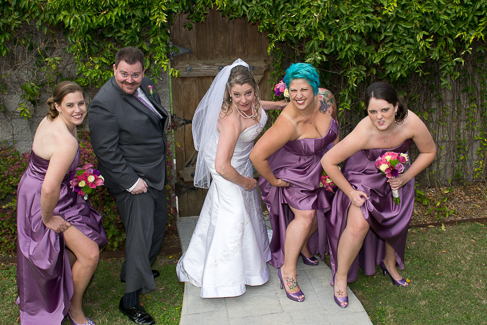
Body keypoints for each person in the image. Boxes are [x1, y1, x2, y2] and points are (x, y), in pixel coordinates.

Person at [176, 59, 286, 298]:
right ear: (228, 92)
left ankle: (249, 265)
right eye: (237, 95)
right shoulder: (230, 120)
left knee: (246, 211)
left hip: (241, 163)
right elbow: (222, 166)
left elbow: (258, 105)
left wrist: (278, 104)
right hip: (226, 168)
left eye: (248, 92)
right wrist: (246, 182)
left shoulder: (253, 101)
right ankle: (222, 280)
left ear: (255, 89)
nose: (244, 100)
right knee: (235, 213)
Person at [322, 81, 436, 308]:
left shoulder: (411, 122)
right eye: (372, 111)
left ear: (396, 106)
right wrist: (351, 193)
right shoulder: (364, 132)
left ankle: (389, 262)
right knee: (358, 226)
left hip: (395, 176)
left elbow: (429, 151)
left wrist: (405, 177)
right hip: (362, 177)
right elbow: (329, 161)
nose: (379, 117)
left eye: (384, 110)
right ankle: (341, 277)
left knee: (397, 214)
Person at [16, 81, 107, 325]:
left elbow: (48, 167)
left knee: (73, 247)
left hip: (37, 188)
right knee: (89, 254)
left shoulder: (53, 121)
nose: (78, 110)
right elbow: (48, 187)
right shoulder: (67, 142)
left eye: (81, 103)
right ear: (57, 106)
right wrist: (47, 219)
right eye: (70, 105)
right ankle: (74, 311)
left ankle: (56, 290)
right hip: (43, 199)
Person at [89, 47, 169, 324]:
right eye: (123, 73)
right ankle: (130, 299)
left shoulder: (147, 85)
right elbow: (105, 151)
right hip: (132, 180)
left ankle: (137, 269)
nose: (129, 80)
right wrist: (131, 181)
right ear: (114, 69)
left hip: (154, 172)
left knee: (158, 225)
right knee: (141, 235)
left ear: (143, 72)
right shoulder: (103, 103)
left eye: (135, 74)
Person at [250, 63, 339, 302]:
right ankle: (288, 270)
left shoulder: (326, 99)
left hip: (323, 165)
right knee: (307, 215)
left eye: (304, 89)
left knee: (332, 206)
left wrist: (335, 160)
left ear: (315, 88)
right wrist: (274, 181)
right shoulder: (288, 122)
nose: (298, 95)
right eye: (293, 90)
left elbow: (334, 128)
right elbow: (257, 156)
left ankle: (303, 246)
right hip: (294, 171)